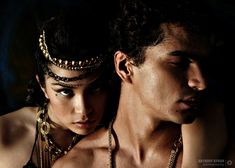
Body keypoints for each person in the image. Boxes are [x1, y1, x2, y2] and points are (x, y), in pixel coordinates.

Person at [53, 0, 229, 168]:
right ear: (124, 67)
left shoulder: (217, 152)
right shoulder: (77, 164)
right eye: (179, 63)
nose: (201, 82)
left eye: (204, 65)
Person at [0, 0, 117, 167]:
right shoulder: (5, 135)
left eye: (95, 89)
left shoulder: (121, 139)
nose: (83, 109)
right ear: (42, 85)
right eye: (65, 92)